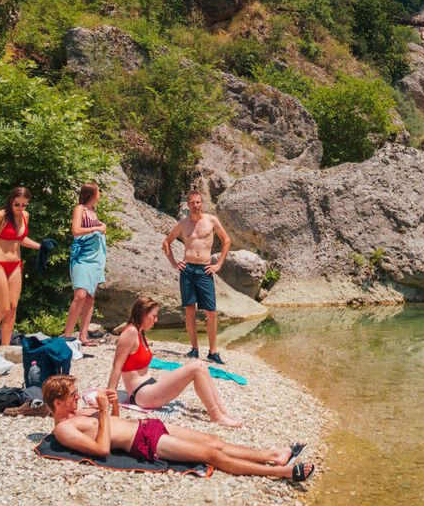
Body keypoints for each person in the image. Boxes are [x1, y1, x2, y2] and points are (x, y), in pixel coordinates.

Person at [43, 374, 313, 481]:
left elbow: (112, 423)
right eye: (73, 395)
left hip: (147, 426)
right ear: (58, 402)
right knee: (211, 456)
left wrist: (112, 406)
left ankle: (271, 455)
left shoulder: (79, 412)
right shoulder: (64, 430)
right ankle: (282, 472)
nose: (77, 397)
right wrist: (102, 411)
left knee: (214, 441)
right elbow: (101, 449)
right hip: (142, 442)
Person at [107, 297, 243, 428]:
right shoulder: (130, 332)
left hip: (149, 387)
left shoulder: (140, 332)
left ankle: (221, 410)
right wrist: (110, 396)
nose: (156, 320)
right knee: (196, 367)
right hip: (141, 395)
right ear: (143, 314)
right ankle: (216, 416)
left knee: (201, 365)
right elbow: (117, 366)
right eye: (153, 316)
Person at [162, 190, 231, 364]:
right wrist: (174, 263)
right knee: (190, 310)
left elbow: (226, 240)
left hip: (205, 270)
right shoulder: (183, 224)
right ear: (188, 205)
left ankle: (213, 351)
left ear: (202, 203)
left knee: (211, 312)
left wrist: (219, 264)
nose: (195, 205)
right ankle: (194, 349)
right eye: (192, 203)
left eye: (198, 202)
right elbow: (166, 242)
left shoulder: (211, 221)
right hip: (187, 270)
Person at [0, 186, 42, 350]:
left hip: (16, 264)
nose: (20, 208)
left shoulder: (25, 216)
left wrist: (41, 247)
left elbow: (20, 239)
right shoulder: (1, 216)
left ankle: (5, 348)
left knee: (12, 308)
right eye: (17, 204)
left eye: (24, 205)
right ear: (11, 201)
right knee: (2, 308)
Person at [63, 182, 107, 345]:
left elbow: (101, 227)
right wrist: (95, 229)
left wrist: (102, 226)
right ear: (92, 194)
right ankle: (67, 334)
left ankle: (83, 336)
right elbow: (76, 230)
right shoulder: (79, 209)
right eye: (98, 191)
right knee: (80, 294)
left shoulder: (93, 211)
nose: (100, 194)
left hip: (96, 259)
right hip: (82, 256)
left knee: (90, 297)